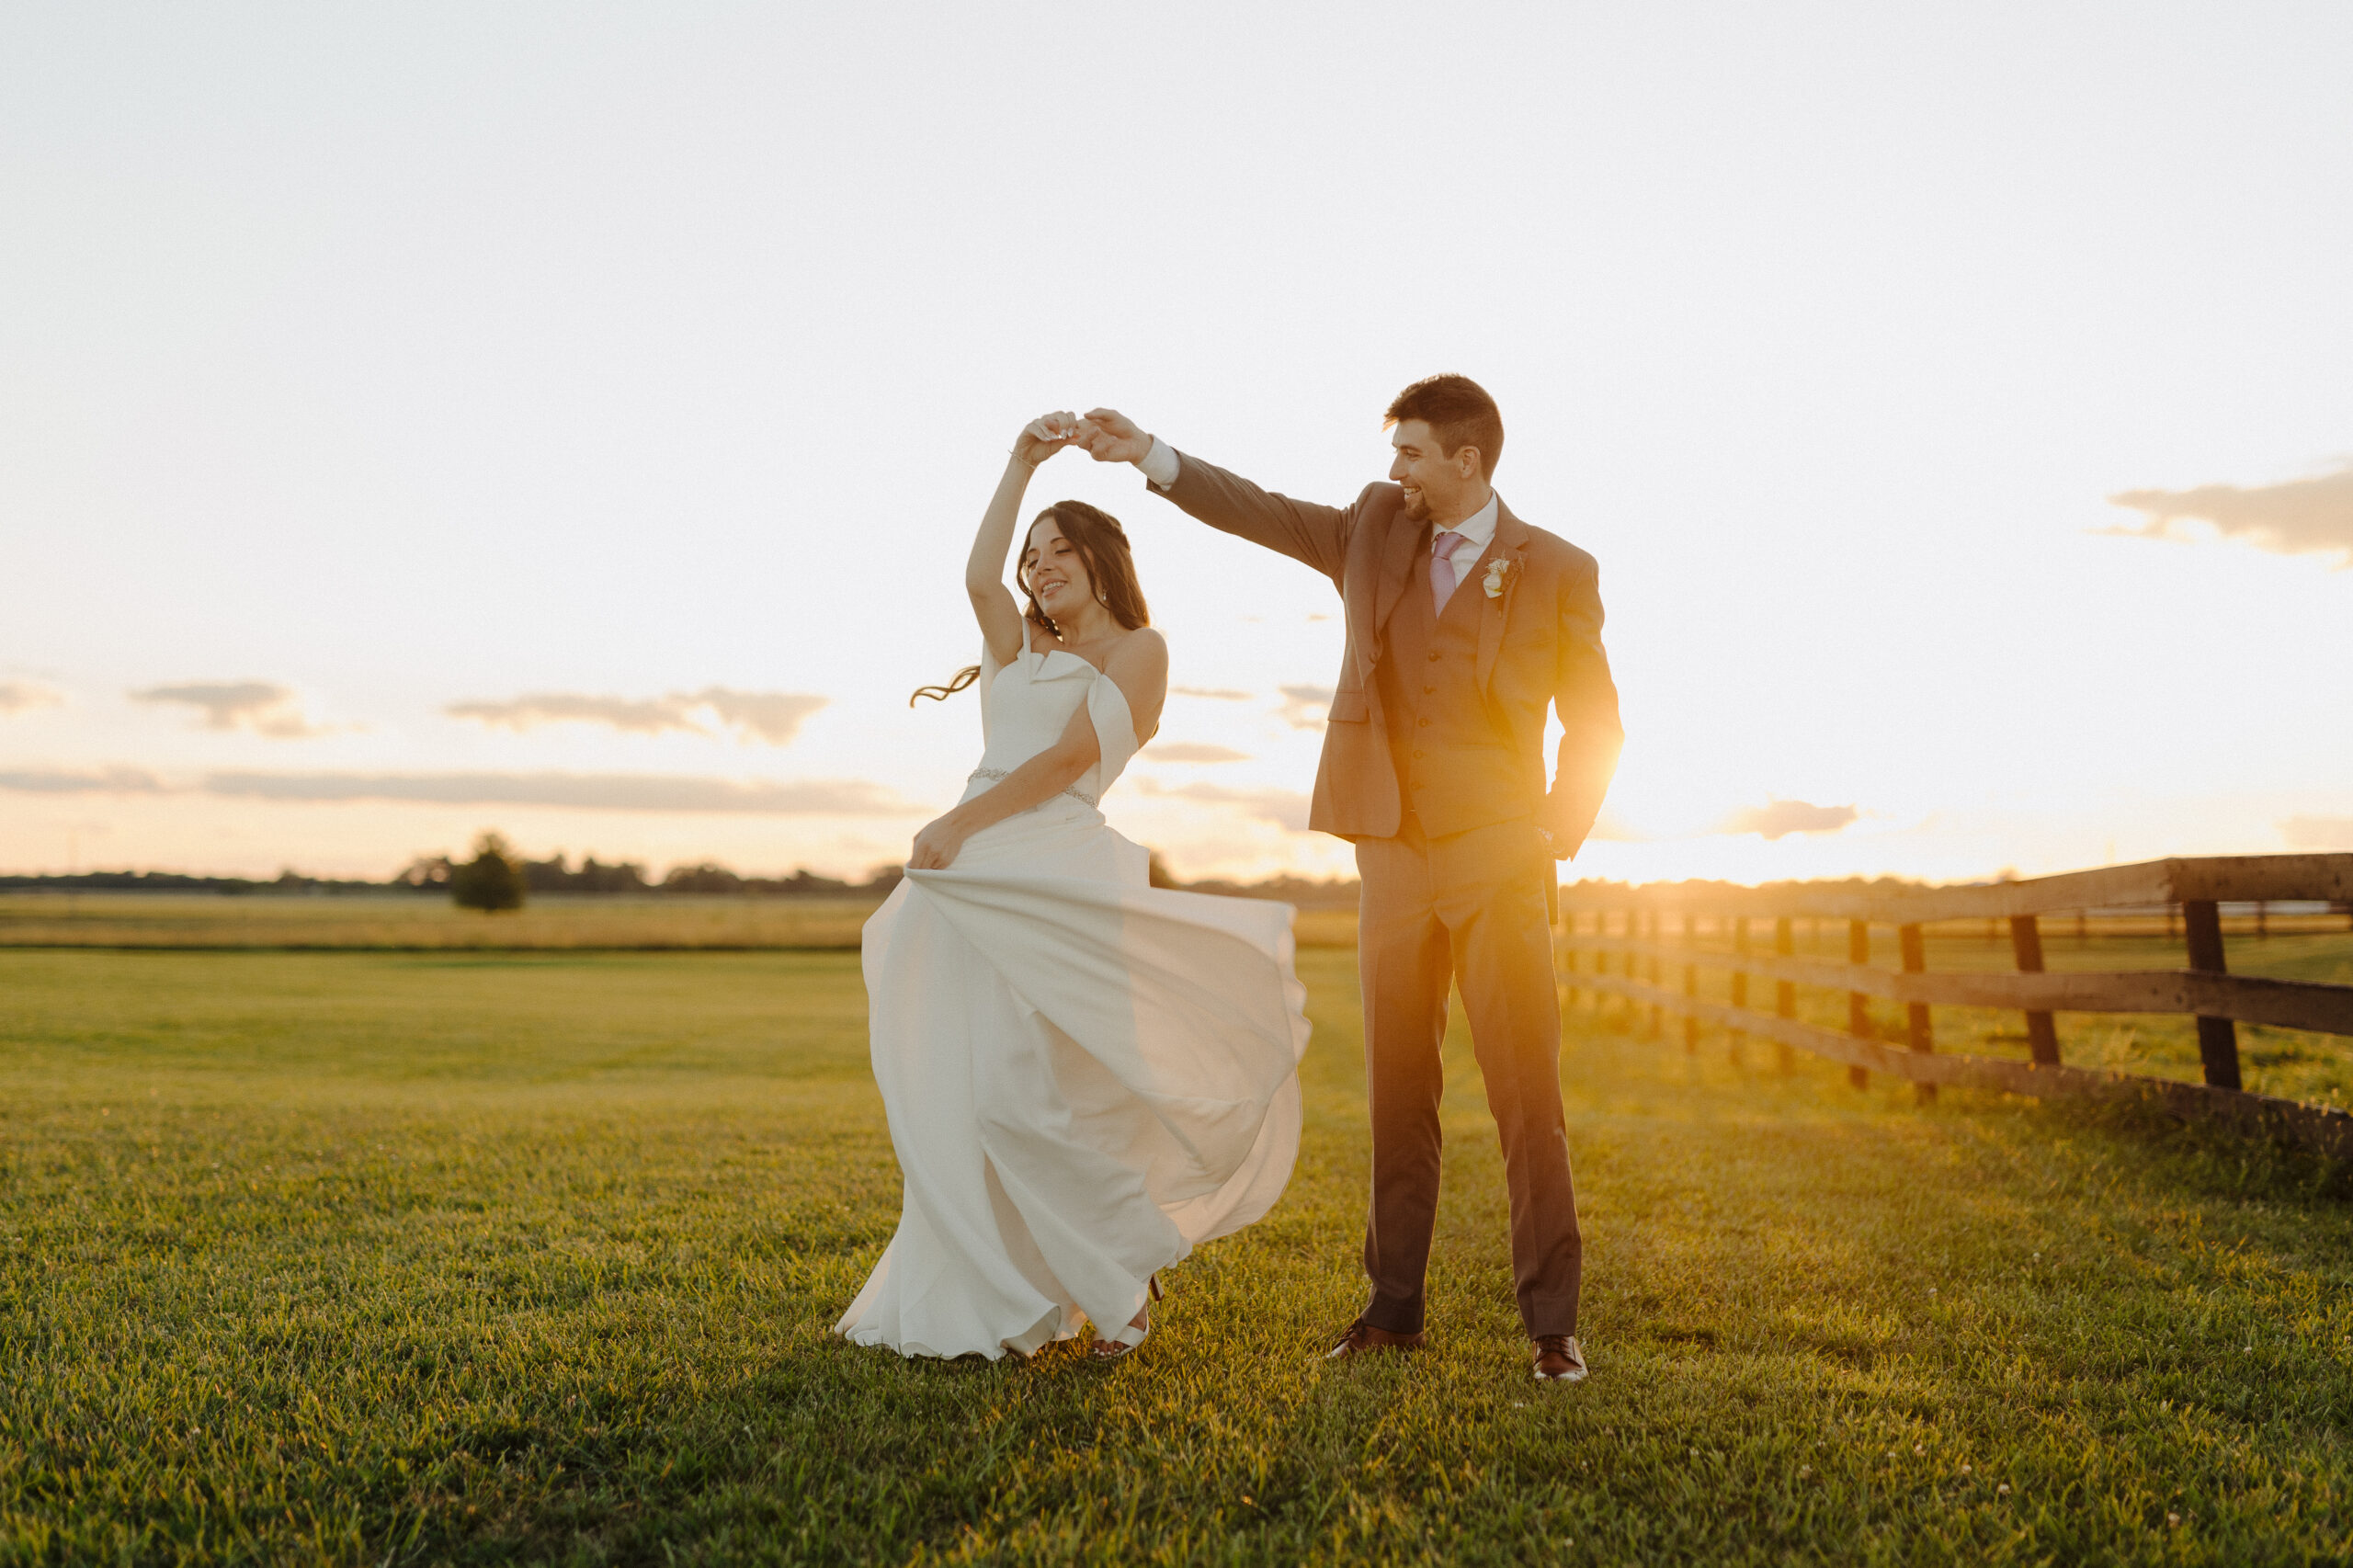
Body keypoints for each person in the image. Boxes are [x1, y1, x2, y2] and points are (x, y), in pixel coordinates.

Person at [1074, 376, 1622, 1383]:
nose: (1392, 471)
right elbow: (1266, 514)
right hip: (1394, 852)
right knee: (1395, 1089)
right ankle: (1392, 1309)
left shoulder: (1557, 568)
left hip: (1501, 856)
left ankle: (1552, 1325)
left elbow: (1595, 717)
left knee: (1523, 1091)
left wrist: (1555, 825)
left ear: (1467, 459)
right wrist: (1149, 451)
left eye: (1410, 453)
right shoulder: (1374, 528)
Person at [835, 413, 1312, 1363]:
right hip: (966, 880)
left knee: (1031, 1094)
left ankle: (1119, 1285)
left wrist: (956, 823)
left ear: (1100, 560)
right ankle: (1023, 1281)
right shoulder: (1019, 648)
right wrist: (1019, 462)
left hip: (1052, 869)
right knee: (964, 1094)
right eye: (1034, 552)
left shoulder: (1141, 649)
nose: (1039, 564)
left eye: (1060, 549)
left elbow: (1064, 762)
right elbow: (977, 577)